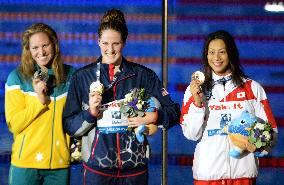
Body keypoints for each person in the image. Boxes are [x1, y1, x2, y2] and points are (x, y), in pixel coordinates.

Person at [63, 8, 180, 185]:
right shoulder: (82, 77)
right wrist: (90, 113)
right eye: (105, 43)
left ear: (124, 43)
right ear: (98, 42)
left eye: (116, 43)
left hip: (135, 170)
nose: (110, 49)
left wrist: (153, 116)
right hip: (97, 170)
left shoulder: (143, 76)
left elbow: (174, 112)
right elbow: (70, 126)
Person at [180, 30, 278, 185]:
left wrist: (257, 145)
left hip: (243, 176)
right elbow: (191, 134)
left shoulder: (252, 88)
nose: (216, 58)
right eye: (211, 52)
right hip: (207, 177)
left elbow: (271, 132)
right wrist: (198, 103)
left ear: (230, 53)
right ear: (206, 56)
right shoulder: (195, 90)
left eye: (222, 52)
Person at [5, 23, 75, 185]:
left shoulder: (71, 76)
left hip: (59, 165)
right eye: (35, 47)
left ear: (54, 45)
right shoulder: (17, 78)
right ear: (28, 50)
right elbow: (14, 124)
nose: (41, 52)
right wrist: (39, 100)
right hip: (26, 165)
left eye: (45, 45)